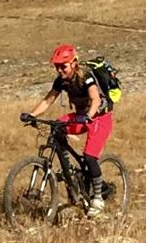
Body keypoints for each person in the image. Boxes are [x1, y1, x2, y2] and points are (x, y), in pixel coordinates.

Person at [22, 43, 113, 214]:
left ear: (73, 63)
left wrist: (89, 115)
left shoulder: (86, 77)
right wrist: (32, 115)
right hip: (81, 116)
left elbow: (96, 100)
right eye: (57, 67)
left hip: (99, 117)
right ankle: (69, 171)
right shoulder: (61, 81)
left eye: (63, 66)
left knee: (90, 157)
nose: (59, 70)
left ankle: (98, 198)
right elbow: (48, 100)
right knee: (57, 127)